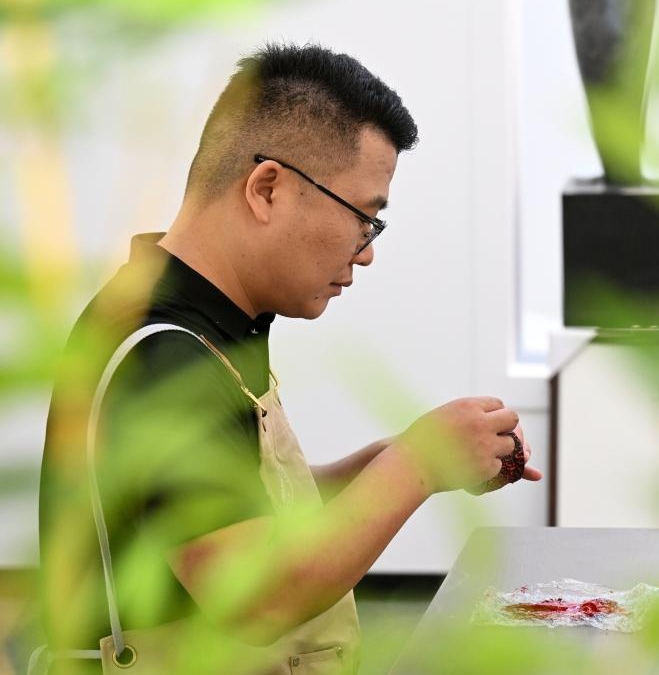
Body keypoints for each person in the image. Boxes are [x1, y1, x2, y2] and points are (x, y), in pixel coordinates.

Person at [36, 42, 541, 675]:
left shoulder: (209, 326)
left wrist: (391, 456)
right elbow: (256, 595)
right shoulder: (162, 351)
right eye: (364, 218)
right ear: (267, 189)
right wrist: (416, 467)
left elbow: (249, 517)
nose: (366, 253)